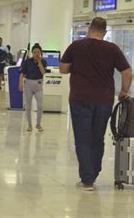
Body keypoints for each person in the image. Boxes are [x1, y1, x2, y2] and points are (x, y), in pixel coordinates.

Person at [60, 17, 132, 191]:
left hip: (80, 98)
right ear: (105, 32)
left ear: (89, 29)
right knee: (97, 138)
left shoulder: (76, 46)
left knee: (83, 138)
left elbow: (63, 69)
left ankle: (87, 180)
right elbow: (128, 72)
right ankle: (93, 172)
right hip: (103, 100)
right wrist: (124, 91)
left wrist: (77, 66)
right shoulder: (112, 48)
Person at [19, 43, 47, 132]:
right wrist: (20, 83)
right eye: (34, 52)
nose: (36, 54)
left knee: (40, 105)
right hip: (28, 84)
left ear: (41, 53)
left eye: (38, 52)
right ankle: (29, 125)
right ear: (32, 53)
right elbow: (22, 73)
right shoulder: (27, 61)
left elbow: (43, 72)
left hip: (38, 85)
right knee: (28, 105)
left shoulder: (43, 61)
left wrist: (39, 62)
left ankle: (38, 124)